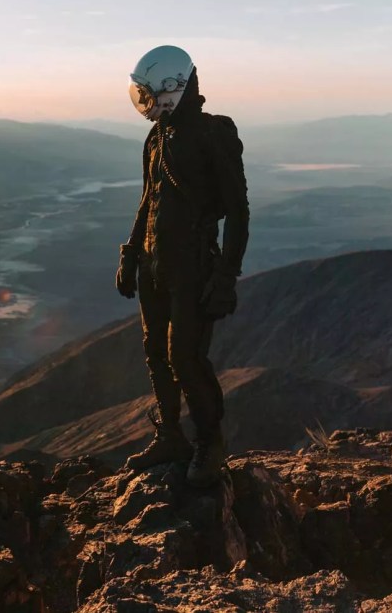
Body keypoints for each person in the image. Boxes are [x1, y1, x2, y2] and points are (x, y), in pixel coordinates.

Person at [114, 45, 249, 487]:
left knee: (185, 359)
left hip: (193, 266)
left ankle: (210, 446)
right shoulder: (158, 136)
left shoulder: (215, 134)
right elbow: (147, 200)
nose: (147, 103)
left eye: (150, 94)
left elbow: (238, 211)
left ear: (173, 86)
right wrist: (132, 254)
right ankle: (171, 436)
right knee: (156, 354)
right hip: (155, 264)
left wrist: (226, 275)